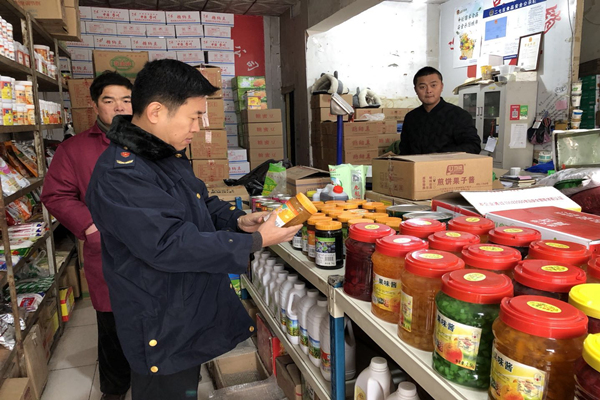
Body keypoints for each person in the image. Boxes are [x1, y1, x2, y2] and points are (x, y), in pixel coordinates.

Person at [85, 59, 301, 400]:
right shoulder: (121, 173)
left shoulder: (161, 155)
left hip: (182, 307)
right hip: (159, 318)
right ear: (156, 112)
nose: (198, 127)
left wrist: (236, 221)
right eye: (194, 116)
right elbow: (169, 244)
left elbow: (197, 201)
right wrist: (256, 241)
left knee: (185, 386)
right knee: (166, 391)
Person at [41, 71, 133, 400]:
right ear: (95, 105)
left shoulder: (152, 144)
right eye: (110, 100)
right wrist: (91, 228)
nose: (119, 107)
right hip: (107, 252)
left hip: (152, 251)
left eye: (126, 100)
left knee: (153, 322)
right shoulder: (74, 149)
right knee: (112, 326)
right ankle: (115, 389)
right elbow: (55, 195)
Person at [387, 66, 481, 155]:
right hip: (417, 166)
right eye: (422, 87)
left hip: (446, 166)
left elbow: (473, 146)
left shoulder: (459, 115)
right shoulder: (411, 117)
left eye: (433, 85)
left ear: (441, 86)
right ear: (415, 90)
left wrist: (440, 155)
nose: (429, 91)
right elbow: (404, 150)